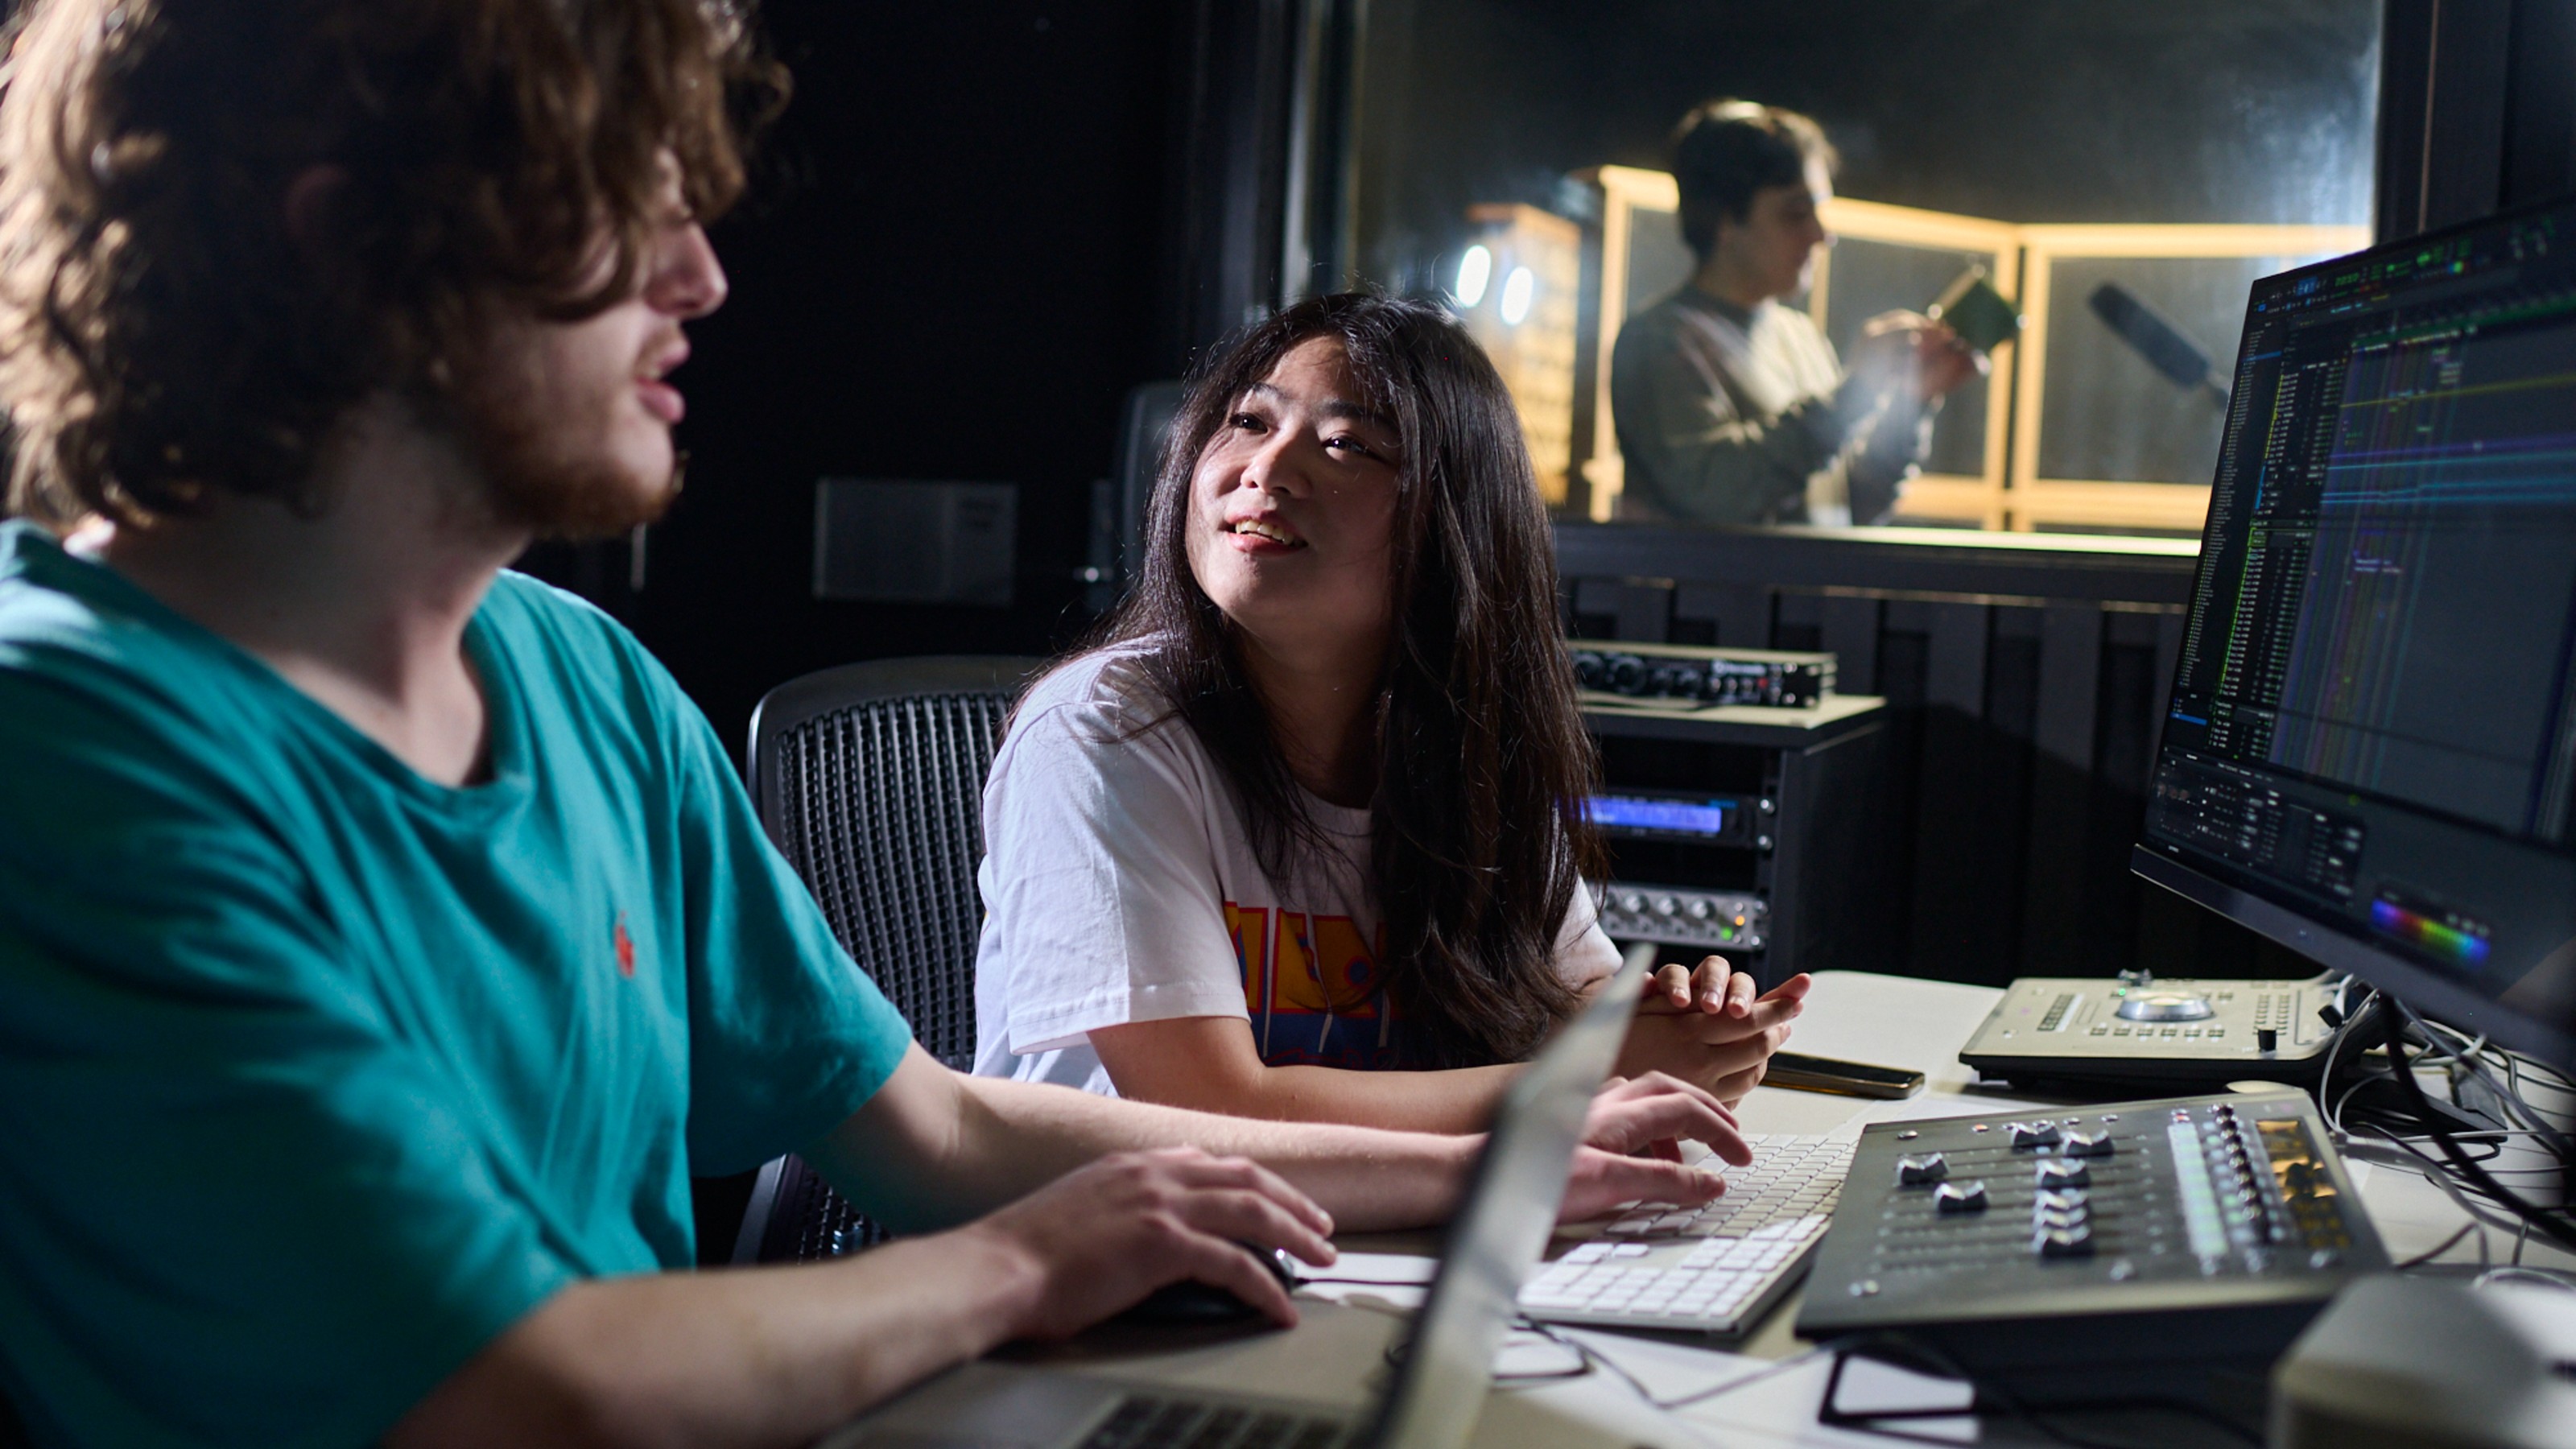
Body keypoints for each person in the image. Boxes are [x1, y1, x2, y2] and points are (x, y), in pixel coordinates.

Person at [0, 3, 1745, 1446]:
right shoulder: (69, 753)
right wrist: (1017, 1271)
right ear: (344, 239)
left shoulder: (578, 678)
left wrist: (1507, 1173)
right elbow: (514, 1392)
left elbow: (938, 1130)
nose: (699, 277)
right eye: (624, 207)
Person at [972, 292, 1810, 1134]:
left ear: (1450, 522)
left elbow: (1569, 1005)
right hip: (1113, 1251)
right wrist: (1595, 1075)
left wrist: (1683, 1029)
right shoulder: (1100, 732)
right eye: (1249, 422)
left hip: (1368, 1242)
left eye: (1345, 444)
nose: (1266, 470)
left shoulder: (1466, 740)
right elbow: (1209, 1114)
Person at [1609, 99, 1984, 527]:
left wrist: (1915, 399)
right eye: (1796, 213)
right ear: (1725, 220)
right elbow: (1717, 495)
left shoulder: (1799, 337)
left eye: (1820, 210)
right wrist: (1853, 392)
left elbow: (1845, 510)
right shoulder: (1660, 340)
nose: (1822, 234)